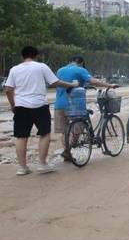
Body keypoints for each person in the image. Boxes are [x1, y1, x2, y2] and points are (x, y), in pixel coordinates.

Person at [3, 46, 78, 175]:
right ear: (36, 56)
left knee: (21, 136)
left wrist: (13, 104)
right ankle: (42, 164)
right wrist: (72, 84)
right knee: (44, 133)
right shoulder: (41, 66)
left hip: (21, 106)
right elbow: (55, 82)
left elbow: (8, 89)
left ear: (22, 57)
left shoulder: (14, 69)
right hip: (39, 106)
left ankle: (22, 168)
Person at [54, 55, 116, 162]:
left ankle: (67, 152)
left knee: (65, 132)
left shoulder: (60, 70)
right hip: (74, 105)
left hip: (59, 104)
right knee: (79, 127)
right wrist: (109, 85)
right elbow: (93, 81)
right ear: (81, 62)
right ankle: (68, 149)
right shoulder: (80, 69)